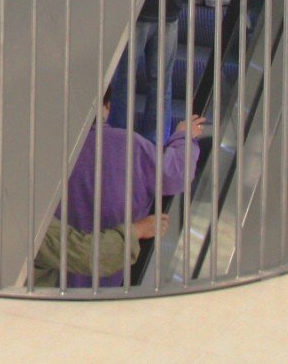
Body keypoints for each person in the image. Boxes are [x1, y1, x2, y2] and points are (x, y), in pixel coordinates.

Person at [34, 95, 199, 289]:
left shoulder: (43, 153)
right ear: (106, 106)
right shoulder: (129, 146)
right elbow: (175, 173)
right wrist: (183, 137)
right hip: (111, 279)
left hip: (53, 283)